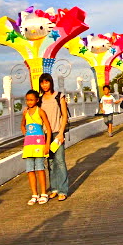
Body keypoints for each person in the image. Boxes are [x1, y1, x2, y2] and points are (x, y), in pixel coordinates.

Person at [39, 73, 69, 201]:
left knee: (60, 161)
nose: (45, 85)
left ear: (51, 82)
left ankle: (63, 190)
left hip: (57, 132)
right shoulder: (40, 99)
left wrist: (62, 133)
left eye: (47, 82)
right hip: (45, 135)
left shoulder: (59, 96)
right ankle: (54, 188)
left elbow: (64, 116)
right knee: (50, 162)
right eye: (42, 83)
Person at [21, 89, 52, 205]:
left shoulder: (41, 112)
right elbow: (22, 125)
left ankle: (43, 193)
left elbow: (48, 128)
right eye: (27, 100)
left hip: (39, 144)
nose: (29, 102)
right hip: (29, 145)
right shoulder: (25, 112)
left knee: (40, 168)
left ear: (37, 100)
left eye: (31, 100)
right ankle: (34, 194)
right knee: (30, 170)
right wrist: (26, 134)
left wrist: (47, 144)